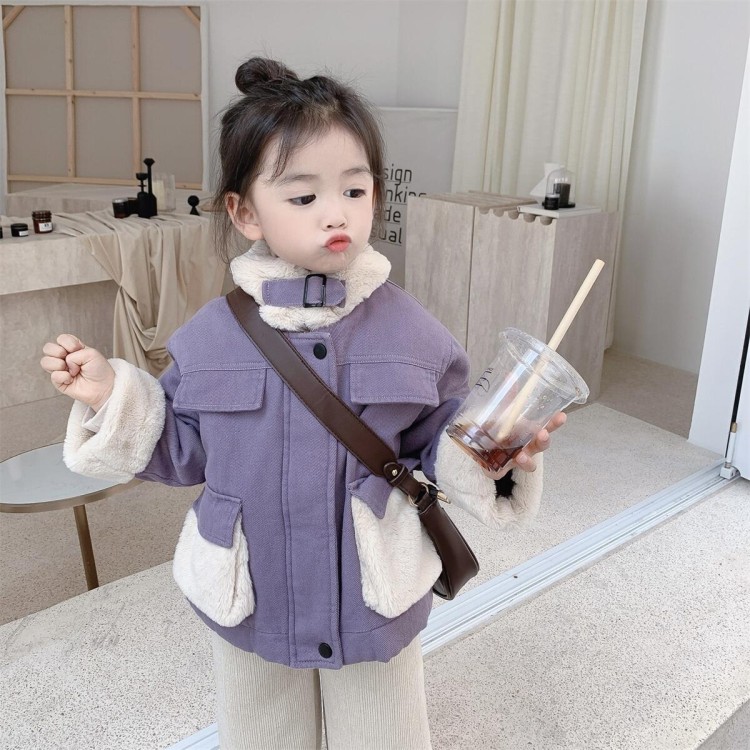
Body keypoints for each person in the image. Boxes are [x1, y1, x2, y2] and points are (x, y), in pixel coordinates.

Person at [41, 57, 566, 750]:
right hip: (250, 590)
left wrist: (499, 447)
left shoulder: (412, 332)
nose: (336, 212)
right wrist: (112, 395)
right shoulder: (211, 338)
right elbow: (182, 448)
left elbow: (439, 437)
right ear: (244, 212)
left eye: (355, 189)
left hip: (372, 592)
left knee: (382, 734)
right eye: (303, 196)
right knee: (262, 733)